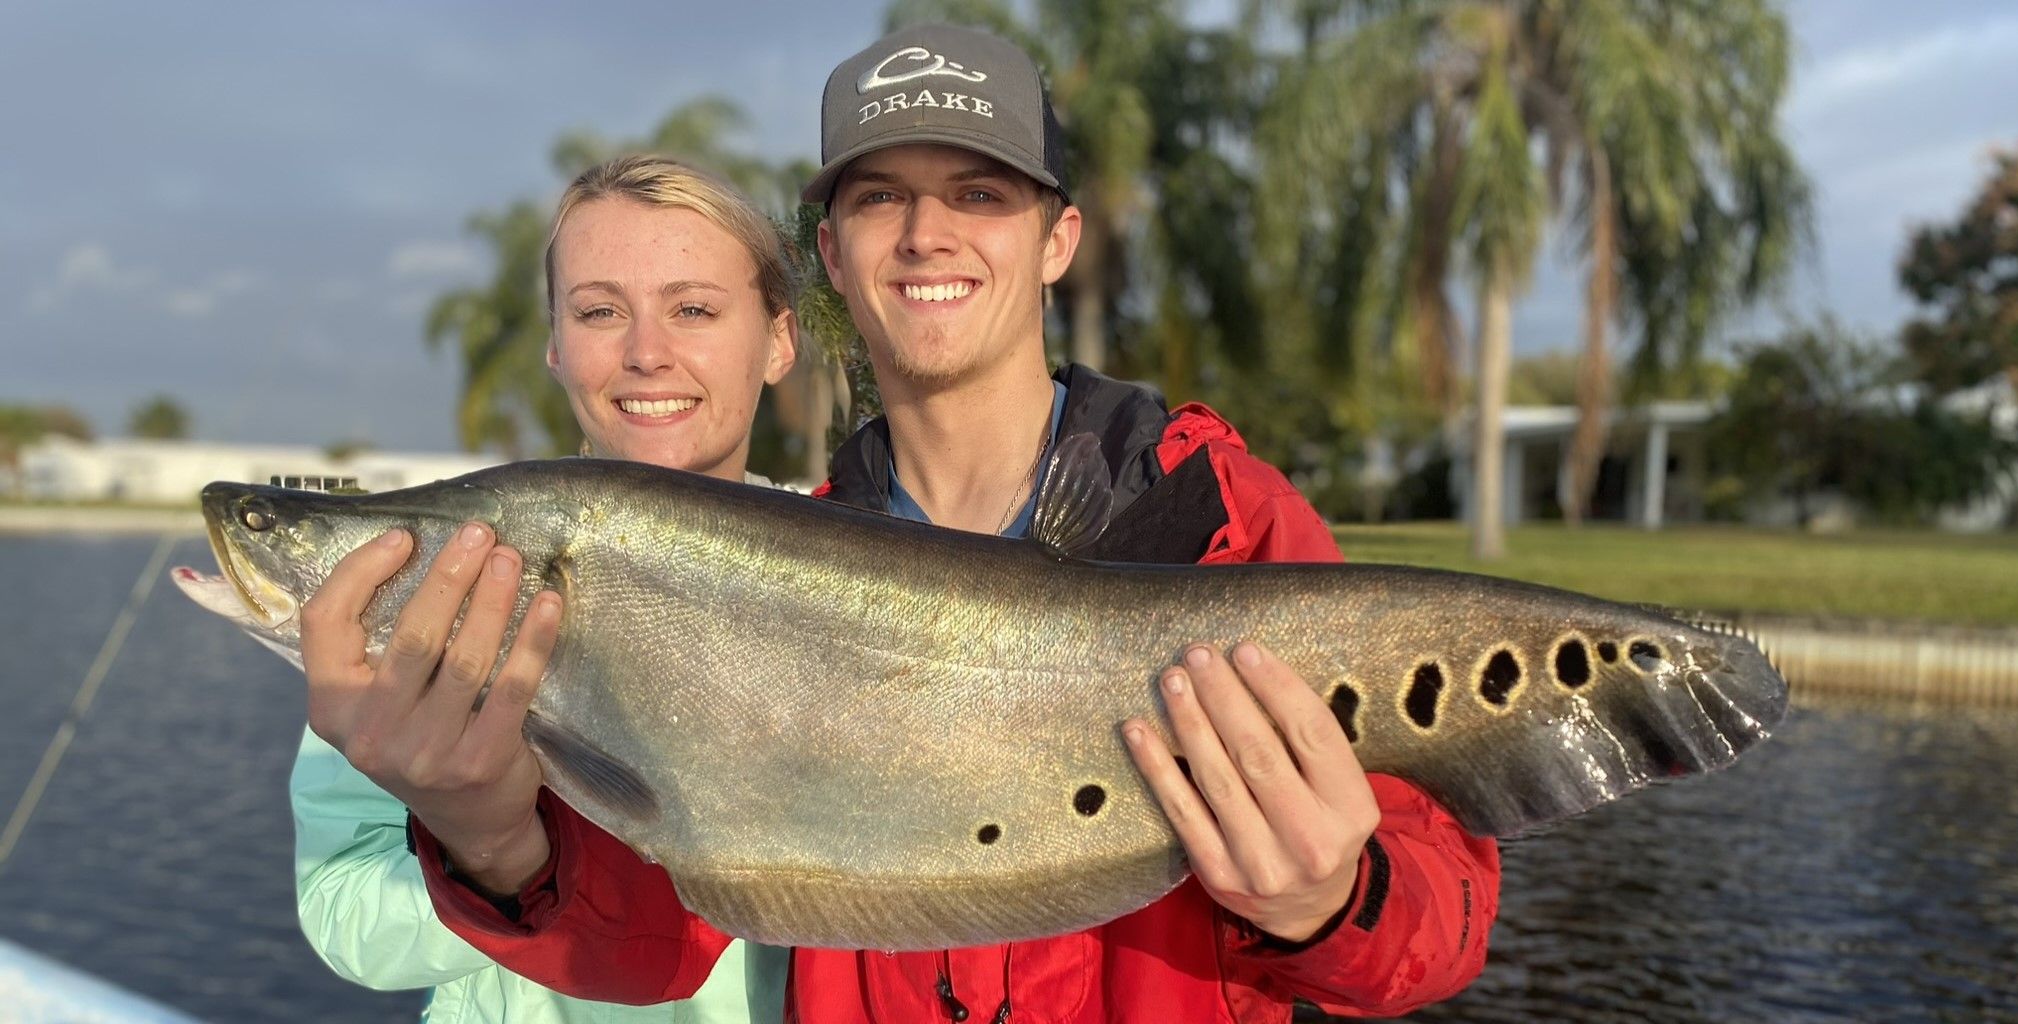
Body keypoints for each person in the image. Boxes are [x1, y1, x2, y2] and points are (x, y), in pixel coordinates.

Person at [310, 25, 1501, 1023]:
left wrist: (1330, 900)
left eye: (978, 192)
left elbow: (1438, 921)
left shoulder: (1221, 518)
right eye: (881, 197)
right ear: (831, 254)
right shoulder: (763, 576)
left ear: (1057, 238)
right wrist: (488, 840)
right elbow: (653, 949)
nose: (927, 234)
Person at [290, 153, 797, 1024]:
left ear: (780, 340)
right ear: (557, 347)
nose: (646, 352)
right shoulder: (444, 580)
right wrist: (490, 850)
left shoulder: (875, 584)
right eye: (601, 311)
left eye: (694, 309)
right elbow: (341, 910)